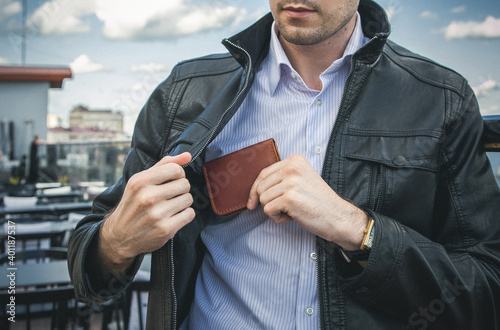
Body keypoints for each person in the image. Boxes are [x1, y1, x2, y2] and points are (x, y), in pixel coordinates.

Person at [68, 0, 500, 329]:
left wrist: (359, 230)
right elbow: (89, 270)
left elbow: (487, 289)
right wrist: (117, 241)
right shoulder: (186, 93)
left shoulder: (440, 99)